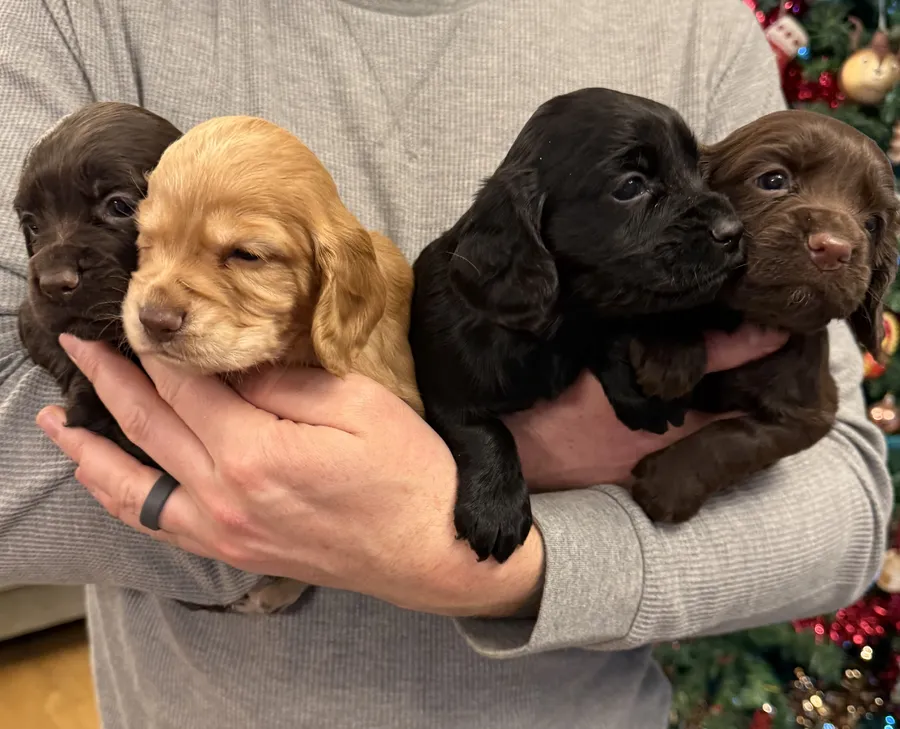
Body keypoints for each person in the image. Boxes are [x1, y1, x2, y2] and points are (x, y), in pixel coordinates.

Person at [0, 1, 890, 727]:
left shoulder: (691, 21)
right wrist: (353, 516)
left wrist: (520, 560)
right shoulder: (75, 12)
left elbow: (845, 504)